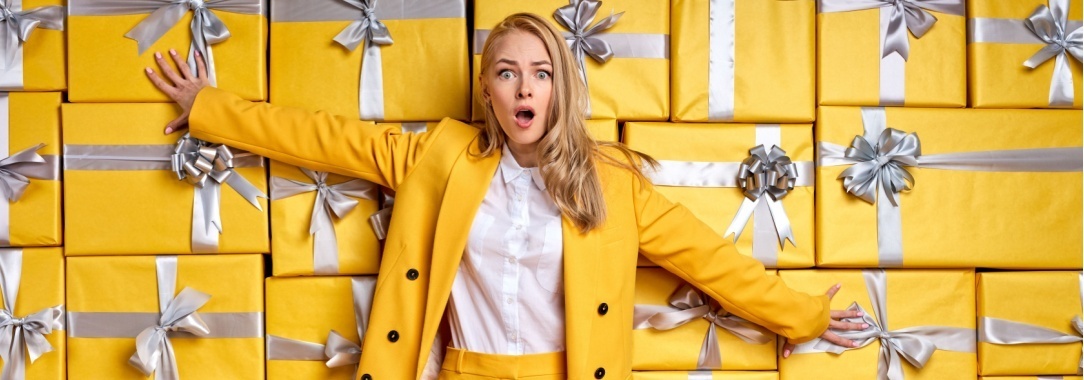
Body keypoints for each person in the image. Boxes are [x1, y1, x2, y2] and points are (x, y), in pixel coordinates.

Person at [146, 12, 863, 380]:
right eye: (508, 72)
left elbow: (711, 260)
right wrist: (211, 108)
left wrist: (802, 315)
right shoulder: (438, 156)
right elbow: (324, 138)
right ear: (487, 88)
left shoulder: (608, 180)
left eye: (541, 73)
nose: (525, 88)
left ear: (560, 88)